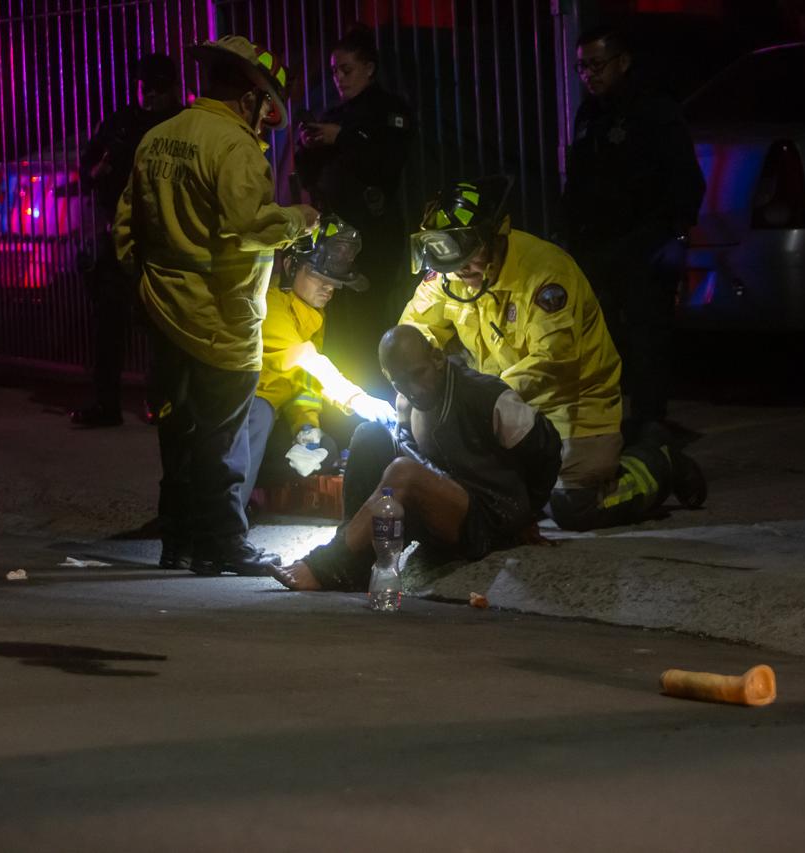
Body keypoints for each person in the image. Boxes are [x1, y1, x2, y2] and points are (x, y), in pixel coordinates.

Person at [115, 35, 319, 575]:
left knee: (176, 433)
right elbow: (248, 228)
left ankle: (177, 541)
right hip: (222, 321)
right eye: (264, 104)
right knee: (223, 440)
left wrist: (146, 288)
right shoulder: (233, 148)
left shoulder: (158, 137)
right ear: (251, 98)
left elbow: (124, 229)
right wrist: (299, 219)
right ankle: (224, 543)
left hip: (164, 312)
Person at [400, 176, 705, 532]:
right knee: (496, 495)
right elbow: (413, 330)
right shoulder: (450, 272)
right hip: (500, 401)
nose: (459, 268)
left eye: (470, 254)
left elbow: (552, 362)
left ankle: (658, 462)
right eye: (448, 255)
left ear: (496, 236)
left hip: (571, 402)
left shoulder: (545, 273)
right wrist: (410, 374)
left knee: (573, 507)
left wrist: (476, 398)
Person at [272, 325, 563, 591]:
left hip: (490, 517)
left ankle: (331, 562)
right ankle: (357, 562)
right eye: (400, 382)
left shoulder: (485, 396)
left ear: (437, 359)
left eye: (418, 374)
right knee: (369, 435)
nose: (413, 389)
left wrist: (528, 515)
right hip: (441, 508)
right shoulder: (405, 403)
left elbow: (546, 449)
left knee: (403, 473)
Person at [562, 25, 706, 429]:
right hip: (599, 247)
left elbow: (685, 177)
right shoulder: (590, 113)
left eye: (596, 64)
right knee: (601, 340)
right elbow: (579, 182)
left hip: (645, 244)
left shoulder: (654, 110)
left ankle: (650, 426)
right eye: (581, 67)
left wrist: (677, 234)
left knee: (648, 340)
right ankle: (608, 422)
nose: (589, 74)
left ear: (622, 62)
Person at [241, 217, 398, 511]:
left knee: (326, 450)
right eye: (320, 279)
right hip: (242, 409)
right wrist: (356, 397)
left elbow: (303, 383)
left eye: (335, 283)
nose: (330, 290)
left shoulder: (312, 313)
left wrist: (307, 427)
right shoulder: (269, 304)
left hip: (272, 413)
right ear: (290, 267)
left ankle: (251, 497)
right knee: (258, 416)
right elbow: (304, 358)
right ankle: (224, 522)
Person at [294, 24, 413, 389]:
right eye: (333, 71)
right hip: (334, 238)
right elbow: (310, 175)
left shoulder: (389, 110)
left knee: (369, 323)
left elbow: (387, 161)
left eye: (346, 69)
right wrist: (307, 145)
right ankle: (343, 406)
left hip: (374, 239)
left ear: (369, 67)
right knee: (336, 326)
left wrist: (340, 137)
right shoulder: (336, 114)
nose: (339, 78)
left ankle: (378, 399)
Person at [70, 53, 182, 428]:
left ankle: (162, 401)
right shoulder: (119, 123)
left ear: (172, 87)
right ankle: (107, 403)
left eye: (158, 87)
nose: (150, 94)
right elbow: (86, 167)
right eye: (145, 86)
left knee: (163, 324)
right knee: (109, 321)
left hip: (166, 240)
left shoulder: (182, 125)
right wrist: (97, 170)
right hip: (119, 237)